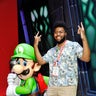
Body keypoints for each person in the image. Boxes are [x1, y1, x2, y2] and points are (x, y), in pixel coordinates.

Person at [33, 21, 90, 96]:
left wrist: (83, 38)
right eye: (56, 32)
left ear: (65, 33)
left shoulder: (73, 46)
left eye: (60, 32)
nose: (58, 34)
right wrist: (35, 45)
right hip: (52, 87)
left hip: (68, 87)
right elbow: (40, 62)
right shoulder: (51, 51)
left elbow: (86, 58)